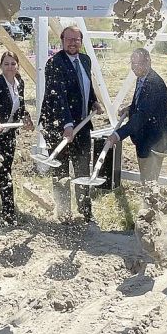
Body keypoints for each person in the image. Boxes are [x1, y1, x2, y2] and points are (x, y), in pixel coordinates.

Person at [39, 25, 103, 222]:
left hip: (81, 126)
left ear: (81, 42)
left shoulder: (85, 60)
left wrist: (93, 101)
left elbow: (85, 85)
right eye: (69, 39)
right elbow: (58, 97)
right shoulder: (54, 63)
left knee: (83, 168)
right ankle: (64, 213)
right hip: (58, 126)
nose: (73, 43)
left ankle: (85, 213)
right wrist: (66, 124)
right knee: (61, 171)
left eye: (77, 39)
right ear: (62, 40)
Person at [0, 51, 34, 224]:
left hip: (9, 135)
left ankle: (9, 215)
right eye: (6, 64)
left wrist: (26, 118)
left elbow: (20, 106)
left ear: (17, 65)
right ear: (1, 66)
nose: (10, 67)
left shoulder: (20, 83)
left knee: (5, 173)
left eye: (13, 63)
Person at [106, 48, 167, 184]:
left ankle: (151, 203)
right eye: (133, 64)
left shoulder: (154, 84)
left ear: (148, 62)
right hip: (145, 138)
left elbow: (141, 116)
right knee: (145, 177)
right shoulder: (142, 78)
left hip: (154, 140)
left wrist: (117, 135)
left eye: (139, 63)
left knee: (149, 180)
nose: (135, 68)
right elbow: (144, 104)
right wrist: (130, 108)